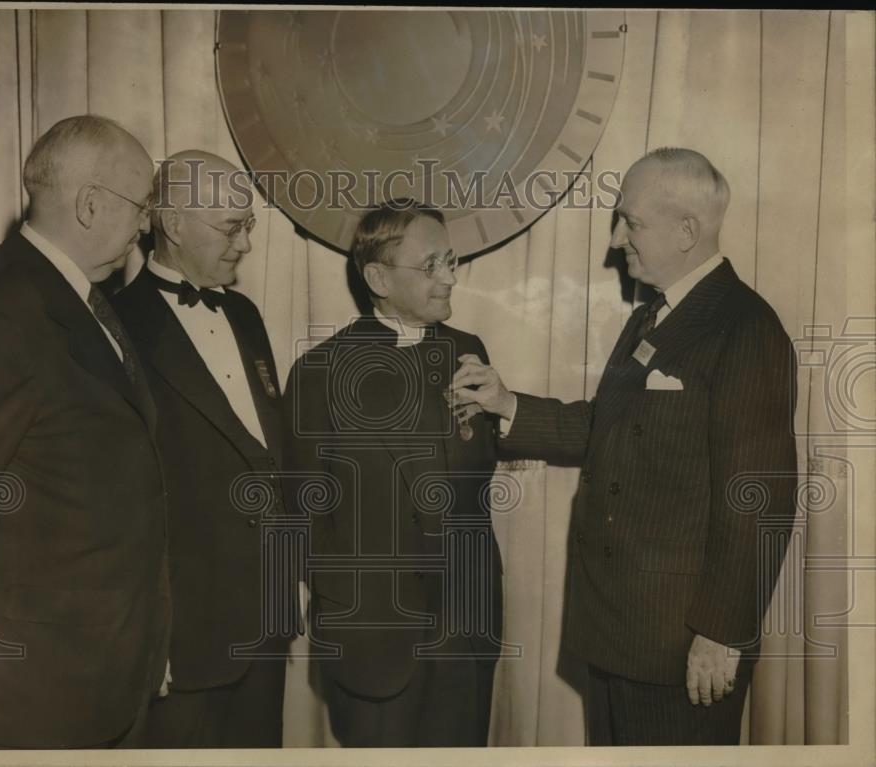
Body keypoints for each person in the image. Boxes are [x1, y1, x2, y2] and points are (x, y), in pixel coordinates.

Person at [452, 148, 797, 745]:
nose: (615, 240)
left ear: (687, 230)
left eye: (630, 222)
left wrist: (720, 634)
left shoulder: (745, 326)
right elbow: (605, 426)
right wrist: (508, 404)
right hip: (619, 632)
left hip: (681, 650)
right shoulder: (649, 320)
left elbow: (760, 498)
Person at [0, 115, 171, 749]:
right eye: (142, 207)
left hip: (91, 682)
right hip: (21, 701)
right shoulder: (2, 309)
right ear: (89, 204)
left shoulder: (70, 292)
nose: (145, 226)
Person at [283, 200, 506, 747]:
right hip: (374, 643)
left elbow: (479, 480)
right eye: (431, 265)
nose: (450, 277)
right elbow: (302, 513)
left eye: (451, 261)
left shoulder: (469, 353)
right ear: (378, 277)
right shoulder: (319, 373)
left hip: (466, 631)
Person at [113, 150, 293, 748]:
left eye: (249, 224)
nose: (244, 244)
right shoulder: (115, 323)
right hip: (183, 635)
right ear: (172, 223)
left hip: (264, 620)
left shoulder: (244, 313)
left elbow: (270, 450)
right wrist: (149, 634)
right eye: (230, 227)